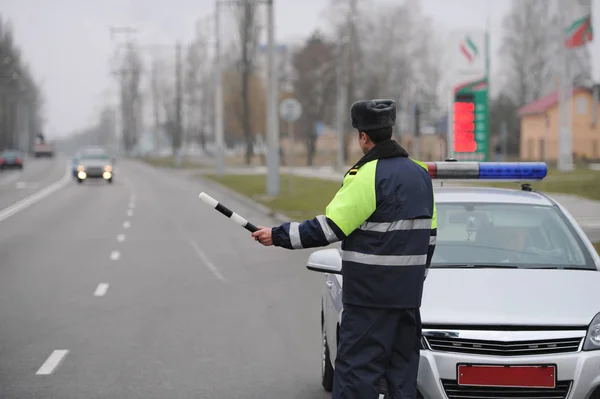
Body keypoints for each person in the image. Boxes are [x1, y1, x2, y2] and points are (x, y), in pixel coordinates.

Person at [251, 99, 437, 399]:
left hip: (368, 303)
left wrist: (278, 235)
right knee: (401, 382)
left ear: (363, 136)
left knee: (356, 380)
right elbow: (430, 238)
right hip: (407, 302)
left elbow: (328, 228)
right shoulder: (420, 175)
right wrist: (413, 280)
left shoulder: (365, 176)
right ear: (390, 131)